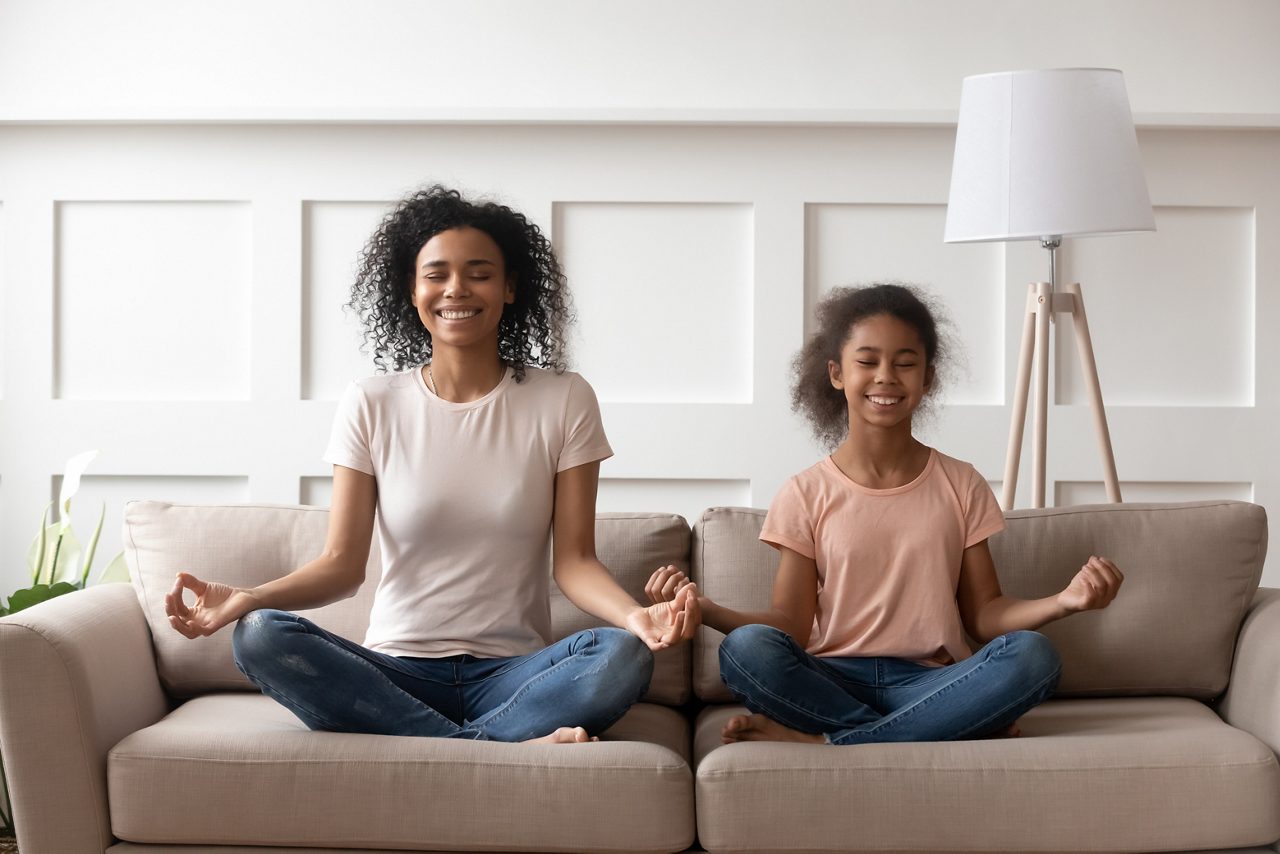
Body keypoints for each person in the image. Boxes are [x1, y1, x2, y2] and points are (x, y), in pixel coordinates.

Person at [165, 185, 699, 744]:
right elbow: (342, 566)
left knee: (621, 653)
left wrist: (636, 618)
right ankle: (499, 746)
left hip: (513, 673)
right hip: (395, 671)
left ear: (511, 286)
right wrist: (251, 597)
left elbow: (575, 562)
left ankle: (442, 746)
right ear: (412, 289)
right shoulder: (371, 402)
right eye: (436, 273)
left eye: (479, 273)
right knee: (259, 636)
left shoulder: (563, 399)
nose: (456, 290)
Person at [647, 283, 1122, 746]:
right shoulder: (804, 492)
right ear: (837, 373)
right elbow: (790, 625)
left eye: (905, 363)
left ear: (927, 378)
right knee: (746, 650)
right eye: (867, 361)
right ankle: (937, 728)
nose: (886, 377)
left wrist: (1065, 602)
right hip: (830, 680)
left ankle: (830, 737)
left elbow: (984, 616)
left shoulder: (960, 482)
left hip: (932, 681)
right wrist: (707, 610)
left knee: (1033, 656)